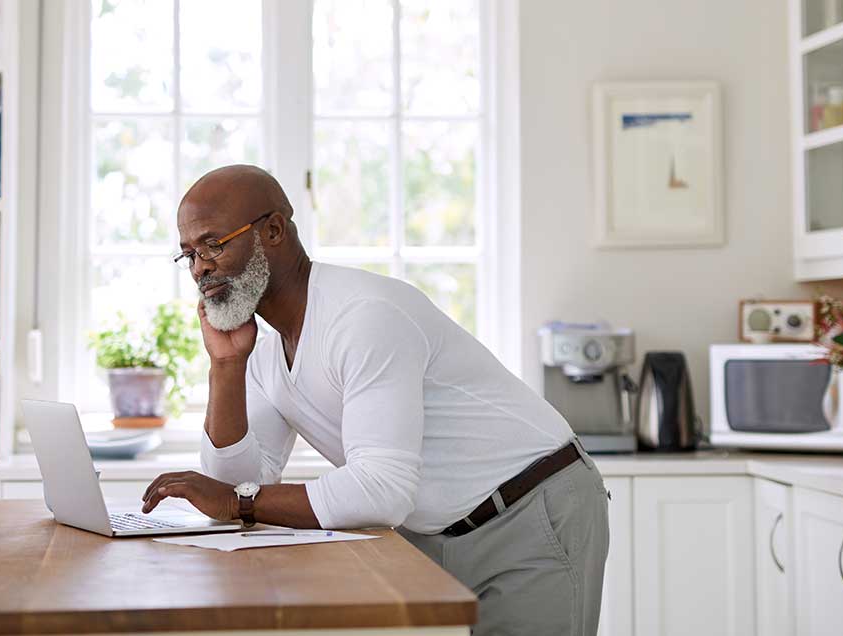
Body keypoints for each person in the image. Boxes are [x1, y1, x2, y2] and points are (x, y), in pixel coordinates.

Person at [141, 165, 609, 635]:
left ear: (275, 231)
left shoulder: (364, 317)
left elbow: (380, 488)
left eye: (213, 244)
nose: (200, 267)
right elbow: (237, 485)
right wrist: (226, 368)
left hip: (529, 510)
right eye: (188, 255)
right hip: (434, 531)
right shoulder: (261, 347)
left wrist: (235, 501)